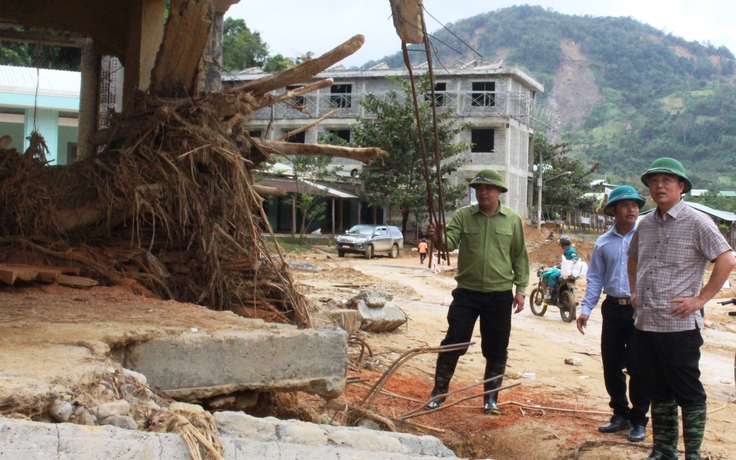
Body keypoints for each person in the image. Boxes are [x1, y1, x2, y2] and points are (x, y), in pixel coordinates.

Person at [628, 157, 736, 460]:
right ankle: (663, 450)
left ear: (681, 186)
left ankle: (693, 454)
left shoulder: (697, 221)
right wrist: (634, 290)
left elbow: (727, 259)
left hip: (679, 327)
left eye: (667, 180)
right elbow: (633, 258)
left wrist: (700, 300)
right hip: (646, 323)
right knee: (657, 391)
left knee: (687, 391)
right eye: (654, 181)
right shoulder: (645, 223)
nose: (659, 186)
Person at [425, 169, 529, 415]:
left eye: (488, 188)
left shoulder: (512, 220)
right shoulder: (463, 215)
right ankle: (438, 394)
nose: (483, 192)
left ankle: (490, 399)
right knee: (453, 342)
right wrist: (438, 238)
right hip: (467, 293)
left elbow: (519, 257)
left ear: (499, 192)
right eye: (479, 188)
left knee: (496, 348)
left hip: (499, 294)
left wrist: (521, 290)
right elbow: (448, 244)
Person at [577, 185, 649, 443]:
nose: (632, 209)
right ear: (613, 211)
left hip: (639, 309)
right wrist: (586, 309)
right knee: (611, 364)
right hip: (612, 308)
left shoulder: (646, 236)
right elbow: (595, 278)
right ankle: (620, 414)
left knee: (638, 366)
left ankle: (639, 419)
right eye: (625, 205)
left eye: (635, 205)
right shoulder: (603, 242)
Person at [545, 235, 579, 301]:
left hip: (567, 272)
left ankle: (552, 295)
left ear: (563, 244)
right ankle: (570, 296)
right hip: (570, 271)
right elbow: (568, 260)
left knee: (552, 276)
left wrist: (574, 259)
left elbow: (574, 256)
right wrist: (562, 264)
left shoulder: (570, 250)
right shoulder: (567, 250)